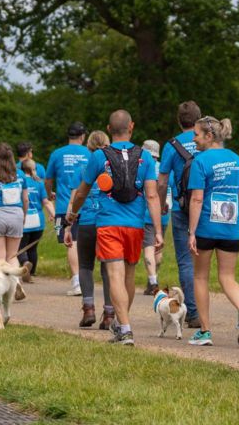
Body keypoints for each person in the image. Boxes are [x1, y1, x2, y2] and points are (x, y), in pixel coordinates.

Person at [67, 110, 163, 346]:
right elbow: (152, 196)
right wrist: (158, 230)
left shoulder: (99, 156)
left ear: (109, 130)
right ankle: (121, 325)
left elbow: (81, 191)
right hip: (135, 225)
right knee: (128, 276)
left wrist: (72, 213)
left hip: (109, 223)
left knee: (115, 276)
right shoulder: (146, 158)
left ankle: (126, 329)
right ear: (132, 126)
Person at [185, 116, 239, 347]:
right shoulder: (236, 160)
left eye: (196, 134)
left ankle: (205, 332)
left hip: (205, 227)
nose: (193, 138)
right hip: (231, 227)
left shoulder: (200, 161)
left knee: (200, 277)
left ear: (209, 136)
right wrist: (237, 223)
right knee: (227, 277)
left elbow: (196, 199)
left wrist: (191, 232)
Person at [157, 101, 203, 328]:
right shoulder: (208, 140)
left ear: (179, 120)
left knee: (185, 261)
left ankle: (193, 312)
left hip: (181, 207)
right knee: (206, 260)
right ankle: (208, 311)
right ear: (199, 119)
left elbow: (163, 179)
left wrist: (162, 204)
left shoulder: (171, 145)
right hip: (206, 207)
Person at [65, 130, 114, 329]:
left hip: (86, 222)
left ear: (89, 147)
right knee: (107, 268)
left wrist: (69, 224)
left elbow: (75, 198)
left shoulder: (82, 168)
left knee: (85, 266)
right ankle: (109, 313)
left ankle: (88, 309)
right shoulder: (112, 168)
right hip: (107, 222)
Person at [46, 122, 90, 296]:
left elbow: (48, 180)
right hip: (86, 206)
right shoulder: (89, 153)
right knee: (82, 243)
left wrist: (50, 194)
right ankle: (84, 280)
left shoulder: (57, 154)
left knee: (70, 243)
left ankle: (77, 281)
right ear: (82, 136)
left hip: (63, 207)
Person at [0, 143, 29, 271]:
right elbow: (25, 199)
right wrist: (23, 215)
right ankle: (15, 286)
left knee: (0, 256)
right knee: (13, 256)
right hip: (16, 215)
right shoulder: (21, 175)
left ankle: (0, 287)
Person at [18, 158, 55, 279]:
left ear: (22, 169)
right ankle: (32, 271)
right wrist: (54, 214)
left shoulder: (19, 181)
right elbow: (46, 202)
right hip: (38, 221)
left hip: (23, 219)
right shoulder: (39, 182)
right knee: (33, 248)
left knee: (21, 247)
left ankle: (24, 265)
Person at [141, 140, 168, 295]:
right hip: (164, 214)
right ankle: (153, 277)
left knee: (149, 248)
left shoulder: (144, 166)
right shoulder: (164, 168)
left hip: (148, 213)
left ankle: (153, 281)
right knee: (158, 248)